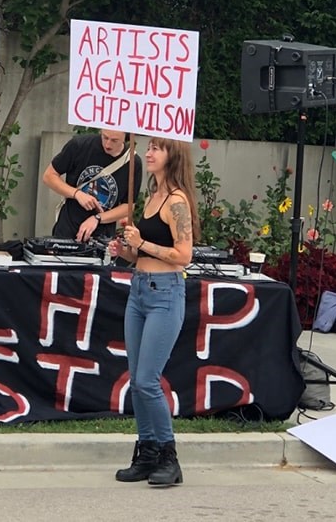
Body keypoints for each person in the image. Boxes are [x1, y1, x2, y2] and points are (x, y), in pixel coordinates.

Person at [108, 137, 199, 486]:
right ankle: (146, 452)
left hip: (165, 294)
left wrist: (141, 242)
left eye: (157, 148)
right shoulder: (151, 198)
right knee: (137, 380)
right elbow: (143, 255)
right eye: (149, 147)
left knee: (147, 380)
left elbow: (183, 255)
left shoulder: (177, 201)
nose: (149, 153)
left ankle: (168, 455)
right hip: (140, 291)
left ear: (172, 155)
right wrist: (127, 250)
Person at [42, 129, 143, 241]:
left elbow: (128, 207)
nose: (108, 144)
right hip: (67, 229)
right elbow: (49, 176)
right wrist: (77, 194)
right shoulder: (79, 145)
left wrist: (97, 218)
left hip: (102, 237)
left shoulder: (133, 163)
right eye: (105, 137)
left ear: (126, 137)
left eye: (114, 140)